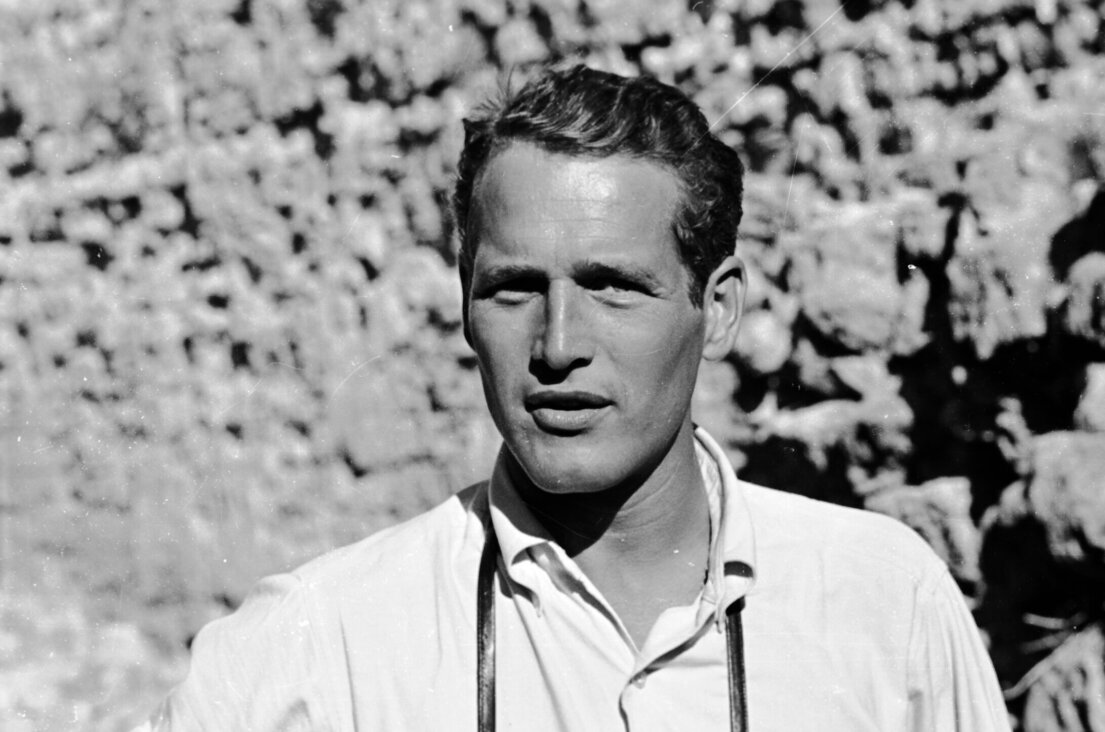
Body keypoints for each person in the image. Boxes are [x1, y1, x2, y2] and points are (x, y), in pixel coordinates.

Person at [146, 64, 1010, 731]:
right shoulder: (314, 652)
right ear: (464, 307)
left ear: (719, 308)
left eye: (614, 287)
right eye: (514, 289)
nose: (559, 345)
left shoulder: (884, 603)